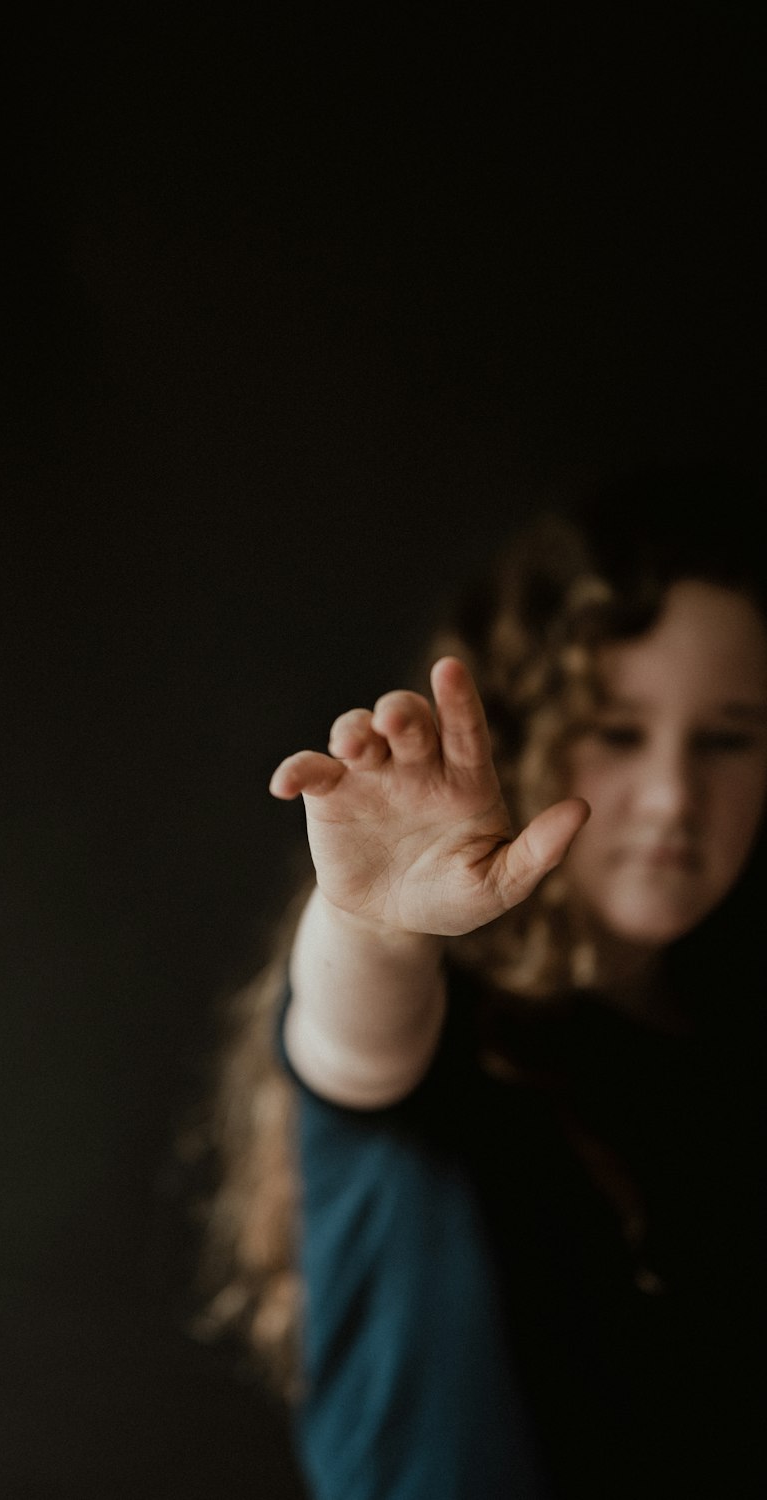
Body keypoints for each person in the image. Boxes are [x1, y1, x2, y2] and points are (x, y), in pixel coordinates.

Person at [189, 463, 767, 1499]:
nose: (674, 794)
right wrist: (371, 925)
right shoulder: (443, 1024)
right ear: (525, 725)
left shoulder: (718, 1037)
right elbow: (347, 1042)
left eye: (728, 738)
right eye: (617, 732)